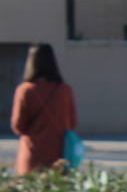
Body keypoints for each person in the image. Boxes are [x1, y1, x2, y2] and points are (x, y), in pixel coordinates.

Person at [10, 43, 77, 175]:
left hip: (31, 154)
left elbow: (18, 127)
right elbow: (72, 123)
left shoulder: (25, 90)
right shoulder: (64, 90)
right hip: (59, 153)